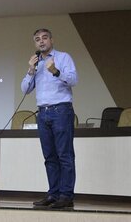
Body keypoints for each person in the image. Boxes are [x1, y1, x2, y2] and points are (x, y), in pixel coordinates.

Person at [21, 28, 78, 208]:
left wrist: (56, 71)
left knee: (65, 155)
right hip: (43, 113)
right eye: (37, 39)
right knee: (49, 157)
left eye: (45, 38)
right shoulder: (36, 63)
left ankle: (66, 196)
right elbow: (25, 89)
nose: (41, 41)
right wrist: (31, 69)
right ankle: (53, 194)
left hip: (61, 110)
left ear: (51, 40)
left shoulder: (63, 58)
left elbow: (73, 80)